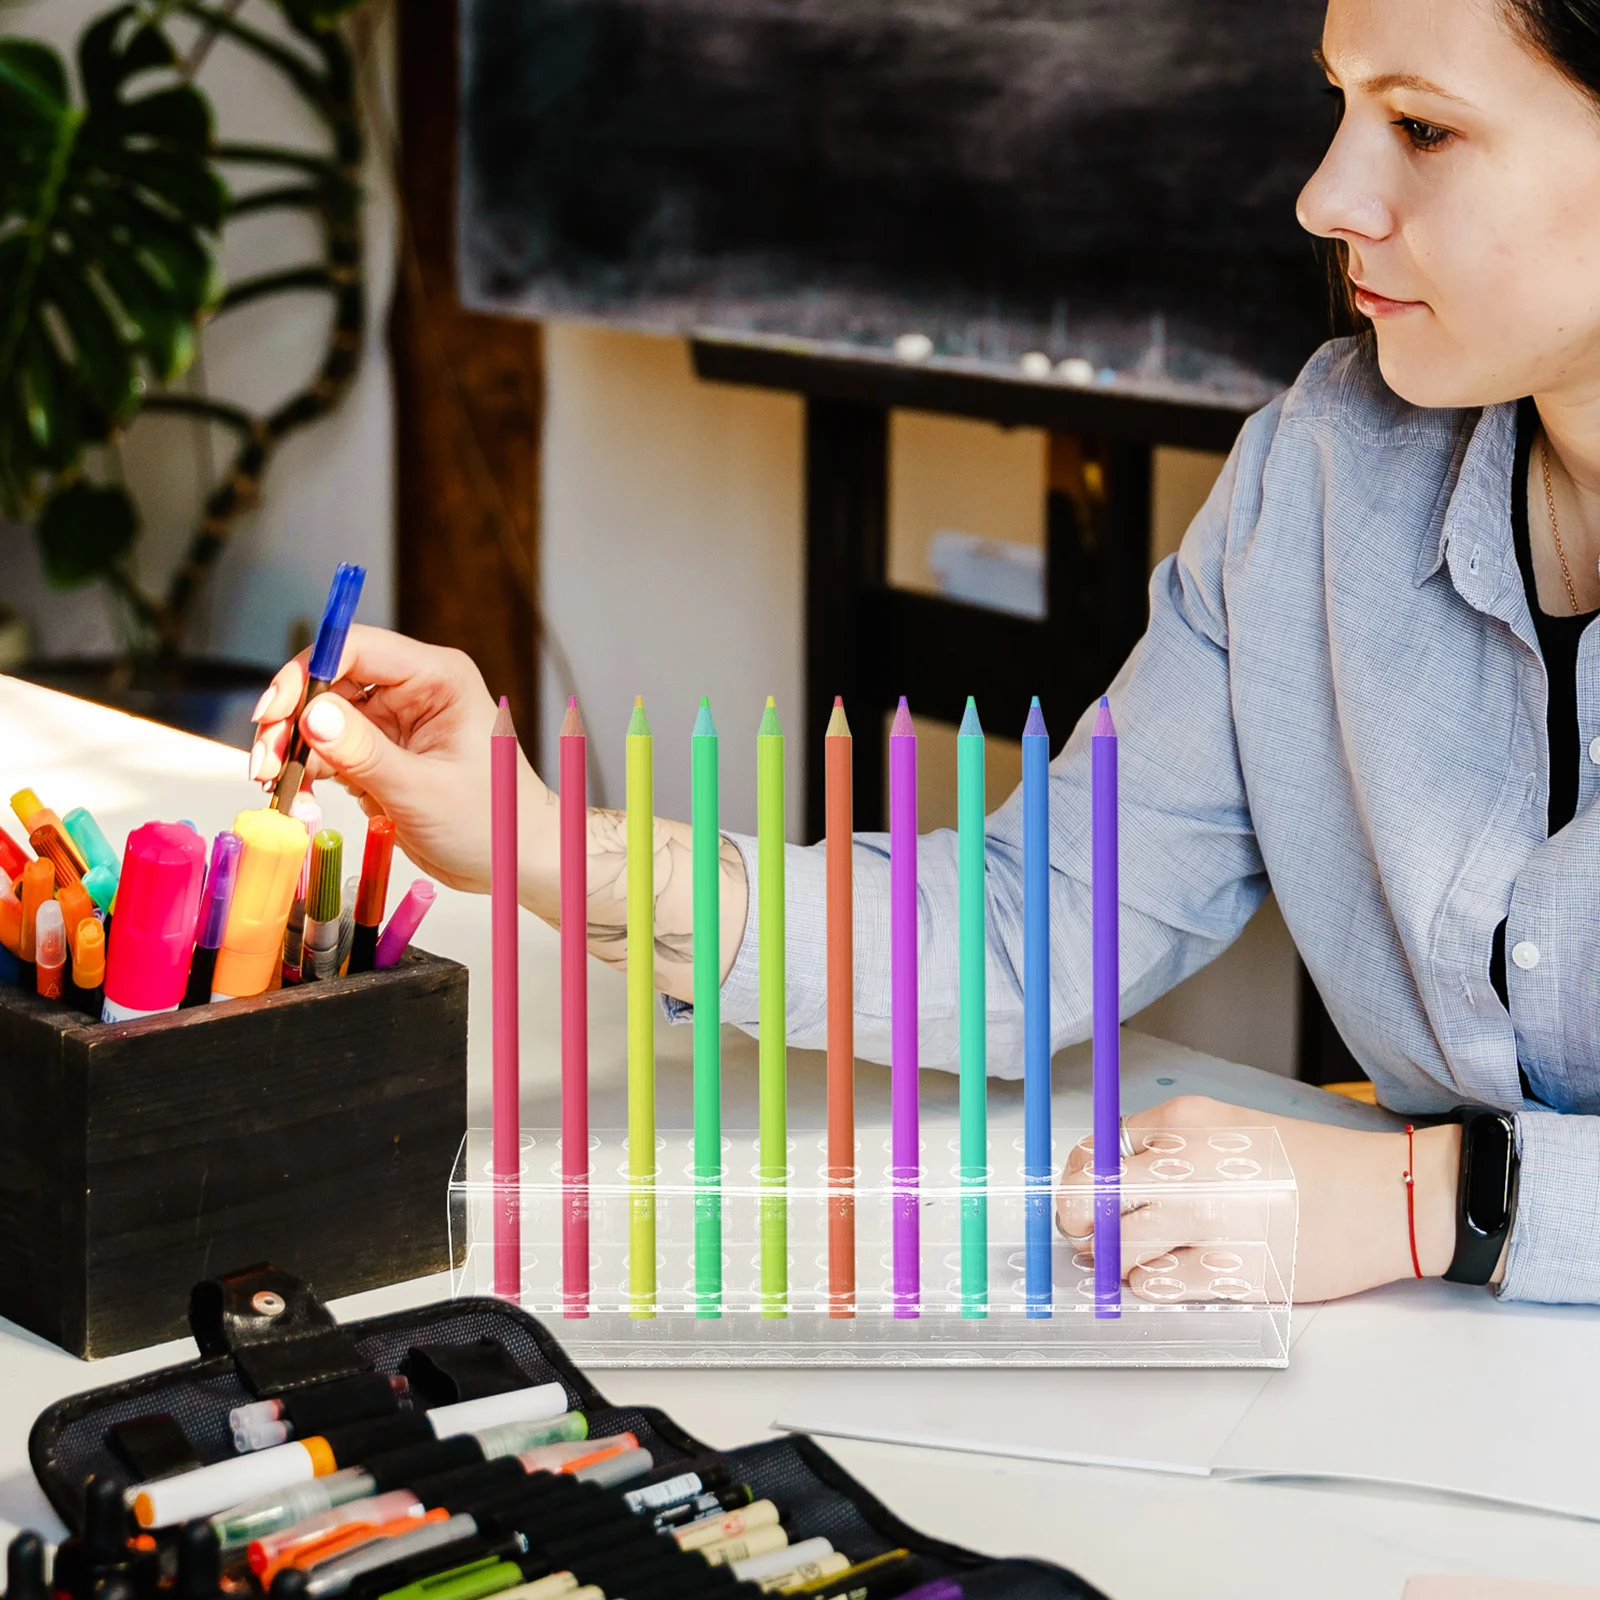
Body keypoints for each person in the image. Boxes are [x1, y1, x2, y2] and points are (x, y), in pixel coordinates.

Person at [251, 0, 1600, 1307]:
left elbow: (1427, 1205)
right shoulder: (1319, 478)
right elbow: (1034, 924)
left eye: (1422, 129)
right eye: (1338, 103)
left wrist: (1428, 1203)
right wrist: (540, 843)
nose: (1325, 193)